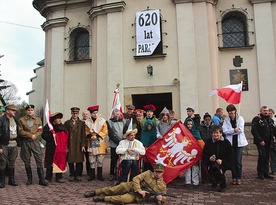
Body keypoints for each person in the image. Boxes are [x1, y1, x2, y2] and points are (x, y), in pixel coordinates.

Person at [83, 163, 167, 205]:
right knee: (113, 189)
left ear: (162, 173)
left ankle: (103, 198)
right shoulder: (148, 173)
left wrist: (159, 198)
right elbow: (136, 178)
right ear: (154, 171)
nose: (157, 174)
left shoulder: (162, 185)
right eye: (156, 171)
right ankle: (95, 192)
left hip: (136, 196)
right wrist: (139, 190)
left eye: (159, 172)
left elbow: (163, 197)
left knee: (122, 199)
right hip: (130, 186)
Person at [18, 104, 48, 186]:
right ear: (26, 111)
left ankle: (41, 179)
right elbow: (20, 131)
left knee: (38, 158)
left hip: (35, 141)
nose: (30, 111)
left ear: (33, 111)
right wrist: (30, 135)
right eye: (28, 110)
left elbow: (40, 130)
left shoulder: (38, 120)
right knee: (26, 159)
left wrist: (35, 136)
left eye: (31, 110)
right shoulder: (21, 120)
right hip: (26, 141)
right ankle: (29, 179)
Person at [202, 125, 233, 192]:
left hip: (223, 162)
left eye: (217, 133)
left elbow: (230, 155)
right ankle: (214, 182)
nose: (215, 134)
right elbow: (204, 154)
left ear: (221, 133)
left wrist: (222, 161)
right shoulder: (208, 142)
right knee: (211, 173)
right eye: (214, 133)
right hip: (212, 162)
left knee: (219, 171)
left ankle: (223, 185)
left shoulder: (226, 143)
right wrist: (209, 158)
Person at [222, 104, 248, 185]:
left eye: (232, 112)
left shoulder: (240, 119)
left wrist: (233, 130)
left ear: (235, 111)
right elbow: (225, 131)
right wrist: (234, 130)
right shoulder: (226, 120)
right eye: (229, 113)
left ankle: (238, 177)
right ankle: (234, 177)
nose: (231, 114)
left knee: (238, 161)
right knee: (232, 161)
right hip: (231, 143)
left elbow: (241, 130)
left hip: (238, 142)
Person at [42, 112, 68, 183]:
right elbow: (43, 135)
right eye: (57, 119)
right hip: (51, 148)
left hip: (60, 149)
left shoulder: (63, 127)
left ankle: (59, 177)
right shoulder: (48, 127)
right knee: (49, 162)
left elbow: (66, 136)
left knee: (59, 161)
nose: (59, 120)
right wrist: (52, 136)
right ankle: (48, 177)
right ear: (53, 120)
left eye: (60, 118)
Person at [251, 106, 275, 180]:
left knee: (267, 156)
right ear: (261, 111)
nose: (266, 112)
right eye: (264, 110)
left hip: (269, 141)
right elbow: (254, 130)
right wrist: (260, 139)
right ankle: (260, 173)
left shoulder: (270, 120)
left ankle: (266, 172)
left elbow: (273, 130)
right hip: (261, 141)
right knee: (262, 156)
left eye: (267, 110)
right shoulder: (257, 119)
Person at [85, 105, 108, 181]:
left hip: (100, 141)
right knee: (92, 159)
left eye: (96, 113)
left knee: (100, 158)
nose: (95, 114)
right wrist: (90, 136)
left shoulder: (102, 121)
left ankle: (99, 175)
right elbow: (85, 131)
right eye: (93, 113)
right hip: (91, 141)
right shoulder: (87, 122)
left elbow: (105, 131)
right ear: (91, 114)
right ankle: (92, 176)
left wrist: (97, 136)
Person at [65, 107, 86, 182]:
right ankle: (72, 174)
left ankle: (78, 174)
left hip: (78, 144)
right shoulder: (67, 123)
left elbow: (83, 135)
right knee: (70, 160)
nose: (75, 115)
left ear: (78, 114)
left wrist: (83, 145)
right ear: (71, 113)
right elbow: (65, 135)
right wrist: (65, 145)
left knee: (79, 160)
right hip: (70, 144)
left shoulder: (82, 123)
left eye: (76, 113)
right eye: (73, 113)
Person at [107, 109, 129, 181]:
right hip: (114, 143)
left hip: (122, 143)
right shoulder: (109, 122)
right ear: (113, 114)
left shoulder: (124, 121)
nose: (117, 115)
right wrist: (118, 141)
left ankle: (122, 172)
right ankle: (111, 173)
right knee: (113, 159)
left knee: (123, 158)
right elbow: (111, 134)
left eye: (118, 114)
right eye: (115, 114)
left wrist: (122, 141)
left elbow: (125, 132)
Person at [0, 104, 19, 188]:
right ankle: (2, 181)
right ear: (7, 111)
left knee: (12, 162)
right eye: (12, 110)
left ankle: (11, 179)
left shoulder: (15, 119)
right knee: (3, 162)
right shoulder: (1, 120)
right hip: (4, 143)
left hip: (13, 143)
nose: (14, 112)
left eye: (14, 110)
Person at [184, 118, 204, 188]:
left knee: (195, 167)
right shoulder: (183, 132)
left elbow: (200, 142)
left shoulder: (196, 132)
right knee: (187, 167)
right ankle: (188, 182)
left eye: (191, 124)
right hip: (186, 152)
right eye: (188, 124)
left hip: (195, 152)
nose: (189, 126)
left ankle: (195, 182)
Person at [197, 112, 213, 183]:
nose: (207, 121)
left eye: (209, 119)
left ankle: (211, 177)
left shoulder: (213, 127)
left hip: (211, 146)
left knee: (212, 163)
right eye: (206, 119)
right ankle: (204, 179)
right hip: (203, 146)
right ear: (204, 120)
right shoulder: (200, 127)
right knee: (204, 163)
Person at [81, 110, 91, 177]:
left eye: (86, 114)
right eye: (84, 114)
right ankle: (79, 172)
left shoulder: (91, 122)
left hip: (88, 142)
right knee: (80, 158)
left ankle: (89, 172)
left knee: (89, 158)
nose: (85, 115)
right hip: (81, 142)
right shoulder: (80, 122)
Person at [268, 108, 276, 174]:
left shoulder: (274, 120)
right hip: (272, 141)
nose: (270, 114)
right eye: (269, 113)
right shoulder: (267, 121)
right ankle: (273, 169)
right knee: (273, 156)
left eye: (271, 113)